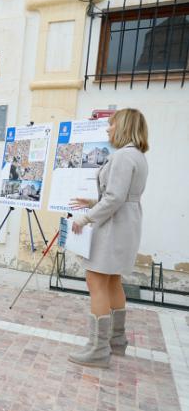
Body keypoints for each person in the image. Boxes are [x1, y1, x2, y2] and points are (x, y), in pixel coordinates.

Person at [68, 108, 149, 369]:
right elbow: (122, 195)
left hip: (114, 225)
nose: (107, 129)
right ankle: (116, 340)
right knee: (113, 280)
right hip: (126, 221)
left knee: (96, 279)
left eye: (111, 124)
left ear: (123, 126)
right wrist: (92, 201)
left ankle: (98, 349)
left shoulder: (124, 156)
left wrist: (85, 217)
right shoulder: (136, 155)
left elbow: (114, 198)